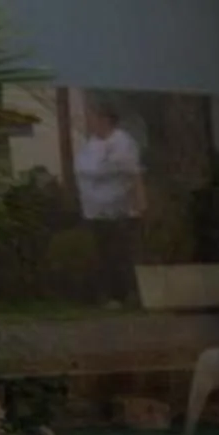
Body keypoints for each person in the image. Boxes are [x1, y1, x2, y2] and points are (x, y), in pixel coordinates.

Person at [74, 102, 144, 304]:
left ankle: (123, 294)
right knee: (103, 252)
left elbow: (125, 169)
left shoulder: (123, 142)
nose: (91, 123)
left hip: (119, 209)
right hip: (95, 210)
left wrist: (140, 200)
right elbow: (84, 169)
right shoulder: (91, 145)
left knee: (118, 253)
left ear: (106, 121)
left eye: (95, 118)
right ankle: (107, 294)